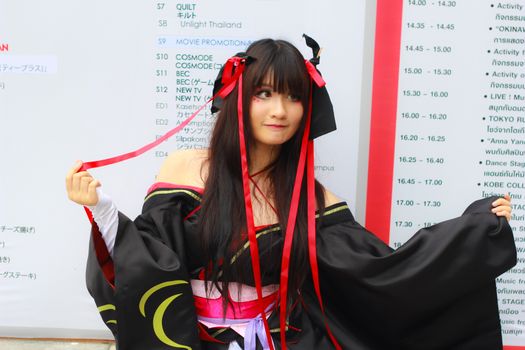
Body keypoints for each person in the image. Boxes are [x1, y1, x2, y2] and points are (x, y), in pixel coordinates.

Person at [66, 37, 516, 350]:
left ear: (308, 107)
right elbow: (149, 258)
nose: (280, 110)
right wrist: (104, 212)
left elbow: (386, 273)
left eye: (293, 96)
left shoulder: (313, 198)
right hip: (194, 340)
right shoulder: (188, 168)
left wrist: (475, 231)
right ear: (239, 96)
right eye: (264, 93)